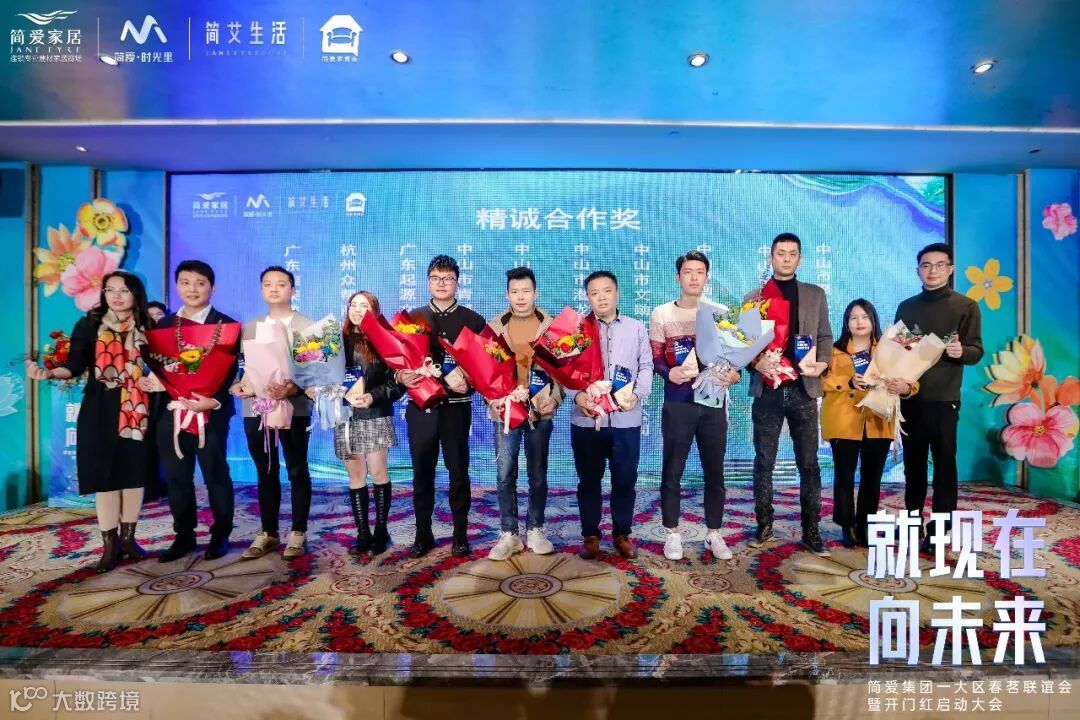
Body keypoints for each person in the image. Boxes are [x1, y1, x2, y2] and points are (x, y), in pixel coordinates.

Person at [26, 271, 155, 572]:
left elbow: (160, 365)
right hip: (100, 407)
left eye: (123, 290)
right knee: (104, 475)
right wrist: (49, 372)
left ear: (136, 293)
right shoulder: (90, 324)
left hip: (138, 407)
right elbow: (73, 366)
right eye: (110, 290)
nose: (116, 296)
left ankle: (128, 539)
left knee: (133, 474)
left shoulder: (149, 325)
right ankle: (110, 546)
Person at [143, 260, 239, 562]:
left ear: (212, 287)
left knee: (215, 473)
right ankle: (184, 534)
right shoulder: (163, 326)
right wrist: (153, 382)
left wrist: (214, 401)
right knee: (176, 476)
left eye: (200, 282)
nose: (192, 289)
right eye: (185, 282)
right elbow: (159, 366)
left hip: (210, 413)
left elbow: (233, 372)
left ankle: (221, 533)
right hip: (171, 413)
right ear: (177, 286)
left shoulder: (226, 325)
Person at [650, 250, 740, 562]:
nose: (693, 277)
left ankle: (714, 533)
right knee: (672, 469)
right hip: (679, 403)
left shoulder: (720, 313)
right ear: (678, 277)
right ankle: (672, 533)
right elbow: (656, 357)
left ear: (706, 277)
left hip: (713, 402)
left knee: (715, 471)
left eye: (699, 272)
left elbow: (734, 356)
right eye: (688, 272)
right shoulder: (662, 314)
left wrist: (735, 374)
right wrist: (668, 372)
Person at [895, 242, 983, 554]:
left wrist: (961, 351)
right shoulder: (907, 308)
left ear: (950, 269)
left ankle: (940, 529)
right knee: (913, 465)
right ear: (918, 270)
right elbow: (900, 349)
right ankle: (912, 520)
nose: (932, 271)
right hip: (910, 398)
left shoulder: (966, 306)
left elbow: (976, 351)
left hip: (945, 399)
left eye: (939, 265)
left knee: (945, 466)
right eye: (926, 265)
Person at [397, 255, 486, 558]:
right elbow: (399, 362)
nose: (441, 283)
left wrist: (470, 381)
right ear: (428, 282)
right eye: (435, 278)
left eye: (448, 278)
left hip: (456, 408)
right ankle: (423, 534)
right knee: (422, 472)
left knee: (458, 472)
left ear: (457, 283)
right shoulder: (413, 319)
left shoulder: (473, 320)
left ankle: (460, 535)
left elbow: (486, 366)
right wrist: (402, 375)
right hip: (422, 407)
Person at [749, 233, 832, 555]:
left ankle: (811, 530)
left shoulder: (814, 294)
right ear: (770, 257)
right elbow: (743, 344)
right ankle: (764, 524)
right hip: (768, 390)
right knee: (764, 462)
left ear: (800, 259)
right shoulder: (755, 297)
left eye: (792, 253)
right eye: (780, 253)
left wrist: (822, 363)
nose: (786, 258)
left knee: (809, 463)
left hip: (804, 389)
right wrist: (757, 362)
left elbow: (824, 336)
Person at [230, 266, 314, 561]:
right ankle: (268, 531)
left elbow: (317, 371)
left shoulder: (307, 326)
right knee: (265, 469)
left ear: (293, 289)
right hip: (257, 408)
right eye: (268, 284)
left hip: (295, 408)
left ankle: (298, 532)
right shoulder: (250, 327)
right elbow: (242, 367)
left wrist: (293, 387)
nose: (274, 289)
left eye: (281, 284)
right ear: (261, 290)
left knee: (297, 468)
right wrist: (240, 385)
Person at [822, 299, 918, 547]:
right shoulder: (833, 350)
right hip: (844, 420)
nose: (859, 322)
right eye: (853, 317)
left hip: (878, 420)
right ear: (846, 323)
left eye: (864, 316)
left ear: (873, 320)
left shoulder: (891, 348)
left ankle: (865, 523)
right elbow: (820, 381)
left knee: (872, 476)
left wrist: (905, 387)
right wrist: (848, 382)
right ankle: (846, 524)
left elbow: (913, 378)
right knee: (844, 475)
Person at [570, 271, 653, 560]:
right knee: (588, 481)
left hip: (625, 419)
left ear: (617, 293)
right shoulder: (577, 331)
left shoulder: (636, 328)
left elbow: (646, 366)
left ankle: (622, 534)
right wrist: (577, 396)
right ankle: (590, 535)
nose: (601, 297)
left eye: (607, 291)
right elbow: (564, 369)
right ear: (587, 297)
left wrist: (636, 395)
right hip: (587, 419)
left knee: (625, 479)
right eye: (594, 293)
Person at [485, 267, 565, 561]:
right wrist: (493, 400)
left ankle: (535, 529)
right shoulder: (494, 327)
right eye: (515, 292)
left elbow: (564, 372)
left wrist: (554, 400)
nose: (520, 297)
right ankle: (509, 534)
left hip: (539, 412)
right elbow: (483, 372)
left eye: (526, 291)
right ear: (507, 295)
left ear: (536, 293)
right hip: (505, 412)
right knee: (505, 474)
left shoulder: (551, 325)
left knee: (538, 474)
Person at [337, 291, 404, 556]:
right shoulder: (334, 342)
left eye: (364, 306)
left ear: (375, 311)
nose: (357, 309)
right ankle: (362, 532)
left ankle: (381, 531)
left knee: (378, 473)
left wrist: (372, 396)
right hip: (345, 416)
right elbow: (323, 378)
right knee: (355, 476)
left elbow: (397, 383)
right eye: (353, 305)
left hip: (374, 414)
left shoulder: (384, 341)